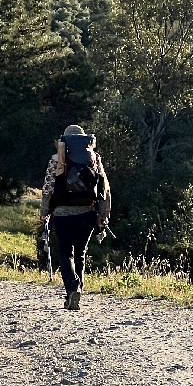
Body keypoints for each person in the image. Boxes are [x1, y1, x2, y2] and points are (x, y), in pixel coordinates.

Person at [40, 124, 112, 311]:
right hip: (87, 214)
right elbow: (104, 189)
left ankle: (72, 289)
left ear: (64, 142)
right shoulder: (93, 159)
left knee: (65, 254)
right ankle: (77, 288)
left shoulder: (57, 160)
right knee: (80, 253)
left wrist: (44, 213)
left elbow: (48, 189)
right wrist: (103, 215)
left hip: (62, 215)